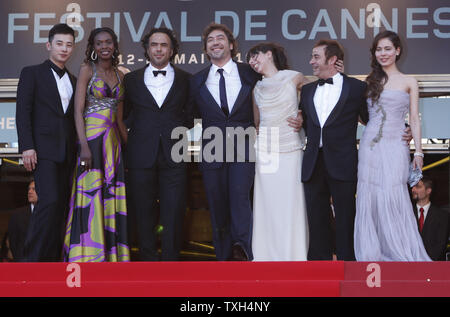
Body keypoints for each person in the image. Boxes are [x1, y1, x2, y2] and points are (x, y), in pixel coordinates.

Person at [246, 43, 343, 261]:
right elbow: (258, 123)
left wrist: (302, 115)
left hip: (291, 147)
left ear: (269, 54)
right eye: (249, 60)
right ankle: (266, 256)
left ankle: (296, 255)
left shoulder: (294, 77)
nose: (252, 62)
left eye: (255, 56)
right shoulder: (257, 88)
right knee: (267, 204)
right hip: (266, 151)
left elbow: (318, 99)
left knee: (292, 203)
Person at [354, 30, 431, 261]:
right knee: (371, 196)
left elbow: (415, 118)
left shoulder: (409, 81)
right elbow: (361, 116)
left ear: (397, 51)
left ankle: (399, 253)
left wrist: (418, 150)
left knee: (393, 193)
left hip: (396, 144)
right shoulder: (370, 82)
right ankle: (373, 253)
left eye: (388, 49)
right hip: (370, 146)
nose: (383, 53)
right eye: (379, 49)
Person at [190, 23, 260, 261]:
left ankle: (242, 250)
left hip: (244, 145)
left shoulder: (250, 73)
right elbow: (186, 114)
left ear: (231, 45)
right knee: (217, 203)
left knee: (240, 198)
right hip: (212, 149)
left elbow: (274, 89)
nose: (215, 42)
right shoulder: (197, 81)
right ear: (206, 49)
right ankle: (223, 258)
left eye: (220, 38)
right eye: (210, 40)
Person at [123, 27, 192, 261]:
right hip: (141, 155)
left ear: (172, 50)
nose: (159, 49)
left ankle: (171, 264)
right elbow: (125, 116)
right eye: (154, 45)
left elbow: (191, 115)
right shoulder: (130, 80)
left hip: (176, 154)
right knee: (143, 212)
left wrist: (174, 129)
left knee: (174, 212)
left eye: (164, 45)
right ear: (147, 49)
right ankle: (147, 264)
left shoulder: (186, 79)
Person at [298, 39, 370, 261]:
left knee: (346, 218)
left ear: (332, 60)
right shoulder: (308, 90)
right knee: (316, 219)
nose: (311, 61)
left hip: (343, 163)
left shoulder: (357, 88)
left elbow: (371, 120)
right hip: (313, 163)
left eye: (316, 57)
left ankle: (348, 267)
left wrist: (402, 128)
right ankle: (319, 270)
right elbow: (304, 121)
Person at [64, 27, 130, 262]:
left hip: (113, 146)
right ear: (92, 46)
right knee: (91, 195)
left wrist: (128, 149)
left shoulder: (121, 75)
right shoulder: (86, 70)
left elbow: (120, 119)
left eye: (109, 42)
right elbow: (77, 111)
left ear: (115, 45)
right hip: (91, 142)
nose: (105, 46)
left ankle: (112, 257)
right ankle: (88, 256)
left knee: (110, 196)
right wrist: (83, 146)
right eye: (100, 43)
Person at [16, 23, 77, 262]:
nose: (64, 49)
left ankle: (51, 264)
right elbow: (23, 111)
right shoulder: (31, 72)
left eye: (69, 45)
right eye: (59, 43)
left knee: (61, 207)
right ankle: (30, 262)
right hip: (42, 151)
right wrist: (27, 146)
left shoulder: (73, 79)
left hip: (68, 152)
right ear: (49, 45)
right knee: (48, 202)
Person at [412, 177, 449, 261]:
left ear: (428, 191)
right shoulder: (406, 214)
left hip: (433, 267)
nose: (413, 189)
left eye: (417, 186)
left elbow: (440, 244)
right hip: (409, 264)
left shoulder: (442, 216)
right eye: (413, 186)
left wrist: (424, 262)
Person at [1, 179, 36, 262]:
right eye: (29, 189)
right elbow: (13, 240)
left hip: (44, 264)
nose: (30, 192)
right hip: (22, 262)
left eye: (34, 189)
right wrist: (19, 260)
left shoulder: (49, 214)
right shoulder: (18, 214)